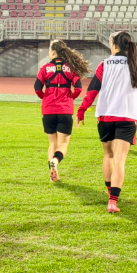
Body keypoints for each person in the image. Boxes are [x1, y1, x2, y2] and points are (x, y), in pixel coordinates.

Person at [77, 32, 137, 213]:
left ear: (114, 45)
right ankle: (113, 202)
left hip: (105, 117)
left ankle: (110, 193)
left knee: (108, 155)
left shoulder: (104, 65)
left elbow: (92, 91)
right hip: (127, 117)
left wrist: (81, 111)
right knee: (120, 159)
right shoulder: (136, 65)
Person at [34, 40, 90, 182]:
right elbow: (78, 88)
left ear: (53, 52)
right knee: (63, 144)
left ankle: (54, 174)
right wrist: (70, 97)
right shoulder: (71, 68)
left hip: (48, 110)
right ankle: (56, 160)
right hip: (65, 110)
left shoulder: (44, 68)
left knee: (52, 144)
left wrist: (45, 97)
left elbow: (37, 88)